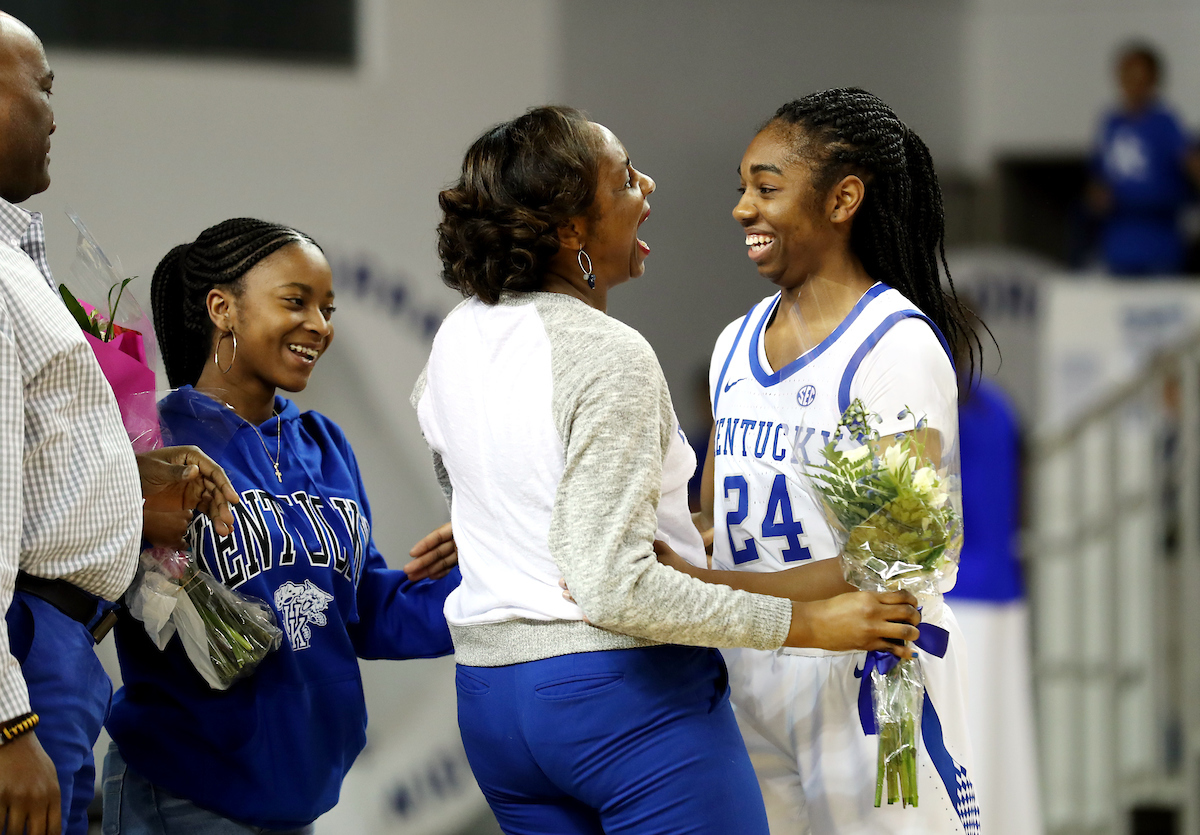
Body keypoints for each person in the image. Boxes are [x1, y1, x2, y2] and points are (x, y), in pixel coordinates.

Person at [414, 105, 923, 835]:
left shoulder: (456, 336)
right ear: (571, 230)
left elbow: (474, 470)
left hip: (493, 707)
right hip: (620, 699)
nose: (647, 185)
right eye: (624, 180)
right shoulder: (610, 351)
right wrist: (810, 621)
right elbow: (614, 586)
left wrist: (515, 519)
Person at [660, 89, 981, 833]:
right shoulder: (734, 343)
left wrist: (714, 589)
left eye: (767, 187)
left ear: (843, 199)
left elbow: (898, 553)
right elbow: (714, 513)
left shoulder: (894, 345)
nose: (743, 208)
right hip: (750, 668)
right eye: (741, 187)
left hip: (876, 675)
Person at [100, 219, 460, 834]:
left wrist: (498, 576)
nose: (320, 325)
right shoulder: (151, 446)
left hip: (300, 801)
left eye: (327, 308)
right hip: (187, 796)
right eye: (296, 302)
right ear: (222, 309)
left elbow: (367, 610)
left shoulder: (324, 444)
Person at [0, 14, 241, 835]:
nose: (55, 114)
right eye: (43, 87)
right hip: (24, 644)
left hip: (53, 642)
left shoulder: (11, 261)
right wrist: (8, 719)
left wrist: (125, 480)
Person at [1088, 42, 1200, 276]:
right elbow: (1100, 176)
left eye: (1141, 78)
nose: (1133, 85)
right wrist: (1098, 196)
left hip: (1159, 241)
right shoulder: (1110, 123)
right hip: (1118, 242)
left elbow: (1190, 162)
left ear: (1153, 81)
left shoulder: (1165, 123)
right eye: (1127, 76)